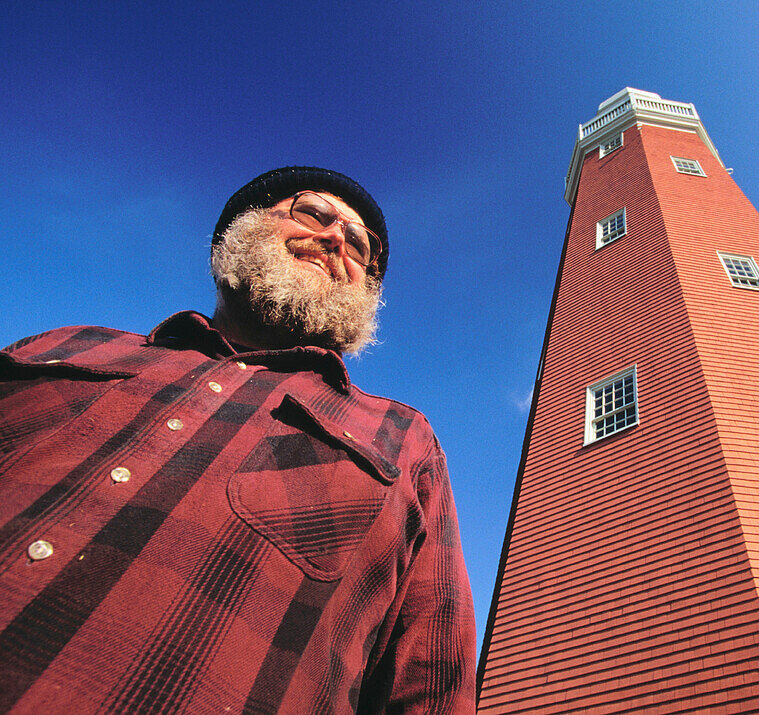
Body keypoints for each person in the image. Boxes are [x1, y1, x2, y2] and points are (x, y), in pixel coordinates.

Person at [0, 167, 476, 713]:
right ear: (242, 230)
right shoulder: (67, 344)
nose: (336, 239)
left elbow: (431, 686)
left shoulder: (404, 441)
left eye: (360, 247)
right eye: (314, 213)